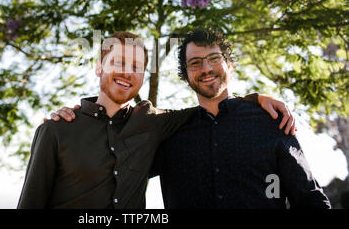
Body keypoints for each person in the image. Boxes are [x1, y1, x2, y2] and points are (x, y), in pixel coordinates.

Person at [17, 31, 295, 209]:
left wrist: (255, 98)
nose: (128, 73)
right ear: (99, 67)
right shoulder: (56, 129)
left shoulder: (155, 123)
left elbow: (212, 102)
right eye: (119, 62)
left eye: (137, 67)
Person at [149, 28, 331, 208]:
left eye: (214, 58)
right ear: (186, 76)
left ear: (230, 65)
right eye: (195, 63)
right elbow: (122, 168)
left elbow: (310, 198)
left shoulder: (270, 119)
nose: (206, 69)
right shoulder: (169, 134)